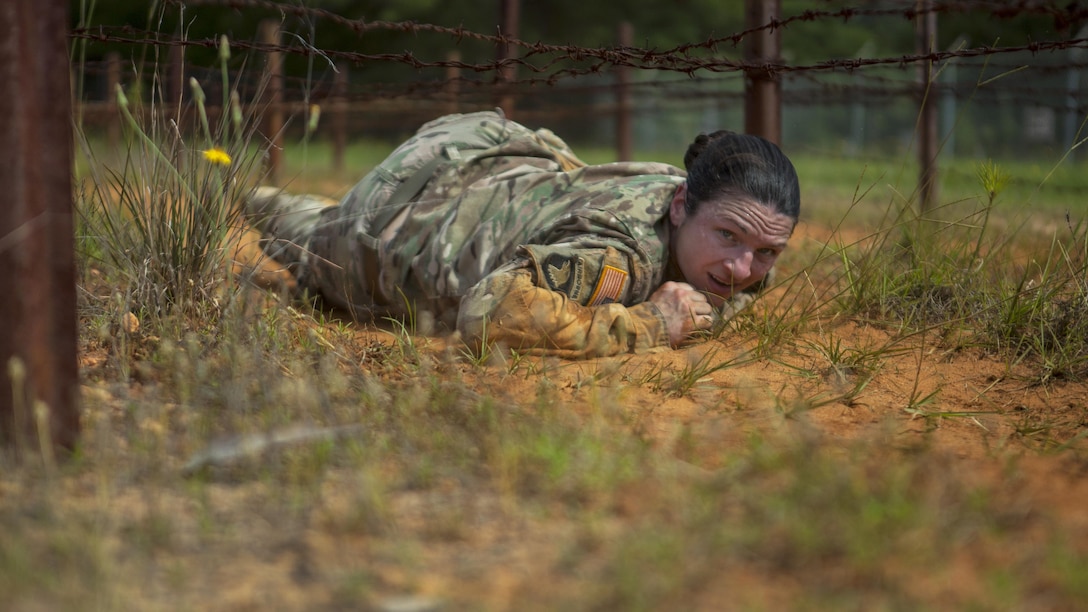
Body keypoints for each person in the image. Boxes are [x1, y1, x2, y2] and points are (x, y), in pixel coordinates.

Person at [245, 109, 800, 359]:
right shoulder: (618, 256)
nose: (742, 270)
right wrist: (653, 323)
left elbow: (740, 282)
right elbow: (487, 312)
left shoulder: (709, 198)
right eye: (728, 237)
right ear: (681, 205)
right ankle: (226, 191)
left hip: (492, 165)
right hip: (397, 231)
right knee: (302, 230)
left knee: (309, 213)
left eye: (767, 253)